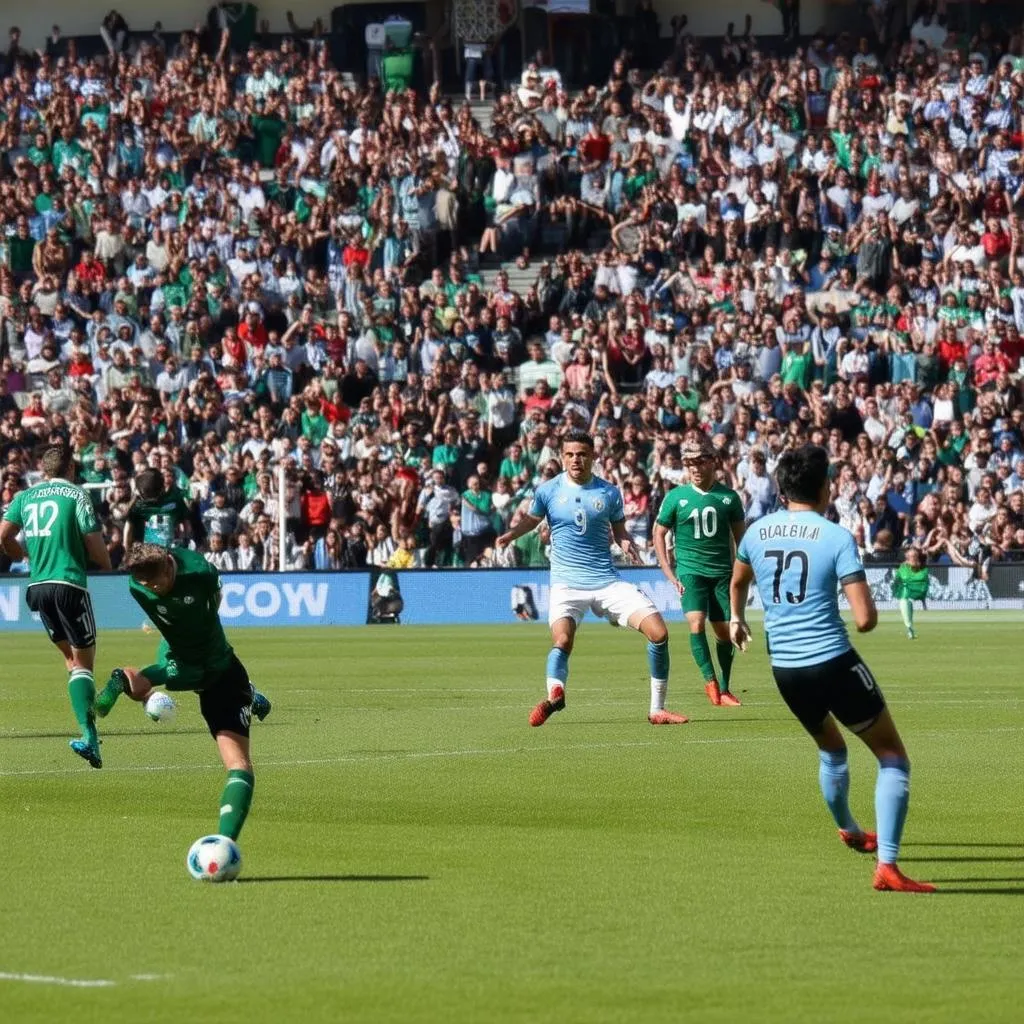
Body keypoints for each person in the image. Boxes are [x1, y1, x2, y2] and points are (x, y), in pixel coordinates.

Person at [729, 445, 935, 893]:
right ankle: (888, 867)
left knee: (832, 750)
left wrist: (737, 618)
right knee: (893, 759)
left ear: (782, 489)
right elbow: (865, 620)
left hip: (785, 668)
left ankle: (849, 828)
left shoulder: (756, 532)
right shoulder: (835, 536)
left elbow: (738, 579)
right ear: (826, 487)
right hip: (832, 661)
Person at [496, 429, 687, 726]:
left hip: (607, 580)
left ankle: (657, 709)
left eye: (582, 454)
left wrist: (626, 544)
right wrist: (510, 534)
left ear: (593, 457)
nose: (576, 460)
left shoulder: (609, 492)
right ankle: (555, 695)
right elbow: (532, 520)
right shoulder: (547, 491)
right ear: (562, 458)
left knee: (659, 633)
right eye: (570, 454)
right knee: (562, 640)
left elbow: (619, 529)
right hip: (566, 584)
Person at [94, 544, 272, 845]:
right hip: (188, 661)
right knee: (148, 683)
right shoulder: (137, 587)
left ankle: (225, 841)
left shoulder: (199, 572)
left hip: (216, 669)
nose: (152, 589)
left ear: (168, 565)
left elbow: (214, 600)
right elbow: (166, 608)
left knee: (238, 764)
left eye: (156, 582)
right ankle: (122, 680)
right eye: (145, 584)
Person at [0, 444, 112, 767]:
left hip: (37, 588)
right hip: (69, 585)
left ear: (43, 469)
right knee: (84, 665)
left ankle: (87, 724)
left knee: (70, 661)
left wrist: (22, 556)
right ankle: (89, 737)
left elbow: (4, 536)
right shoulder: (76, 495)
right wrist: (108, 565)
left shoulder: (24, 497)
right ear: (71, 470)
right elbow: (94, 545)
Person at [652, 435, 746, 706]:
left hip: (721, 574)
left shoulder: (728, 498)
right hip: (690, 571)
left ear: (713, 462)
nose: (693, 467)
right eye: (688, 462)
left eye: (698, 462)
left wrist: (743, 576)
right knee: (695, 623)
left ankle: (726, 688)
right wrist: (670, 574)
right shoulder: (676, 497)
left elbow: (743, 542)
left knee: (724, 632)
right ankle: (710, 681)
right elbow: (658, 534)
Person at [123, 467, 192, 549]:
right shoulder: (137, 507)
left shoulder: (175, 500)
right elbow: (187, 525)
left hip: (161, 552)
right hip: (153, 552)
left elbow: (127, 537)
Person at [893, 547, 929, 641]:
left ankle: (910, 627)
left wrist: (923, 601)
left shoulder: (922, 567)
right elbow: (898, 580)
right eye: (911, 556)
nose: (913, 558)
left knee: (908, 604)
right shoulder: (903, 568)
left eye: (915, 556)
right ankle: (909, 627)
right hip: (905, 593)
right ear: (907, 557)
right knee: (905, 603)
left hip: (916, 592)